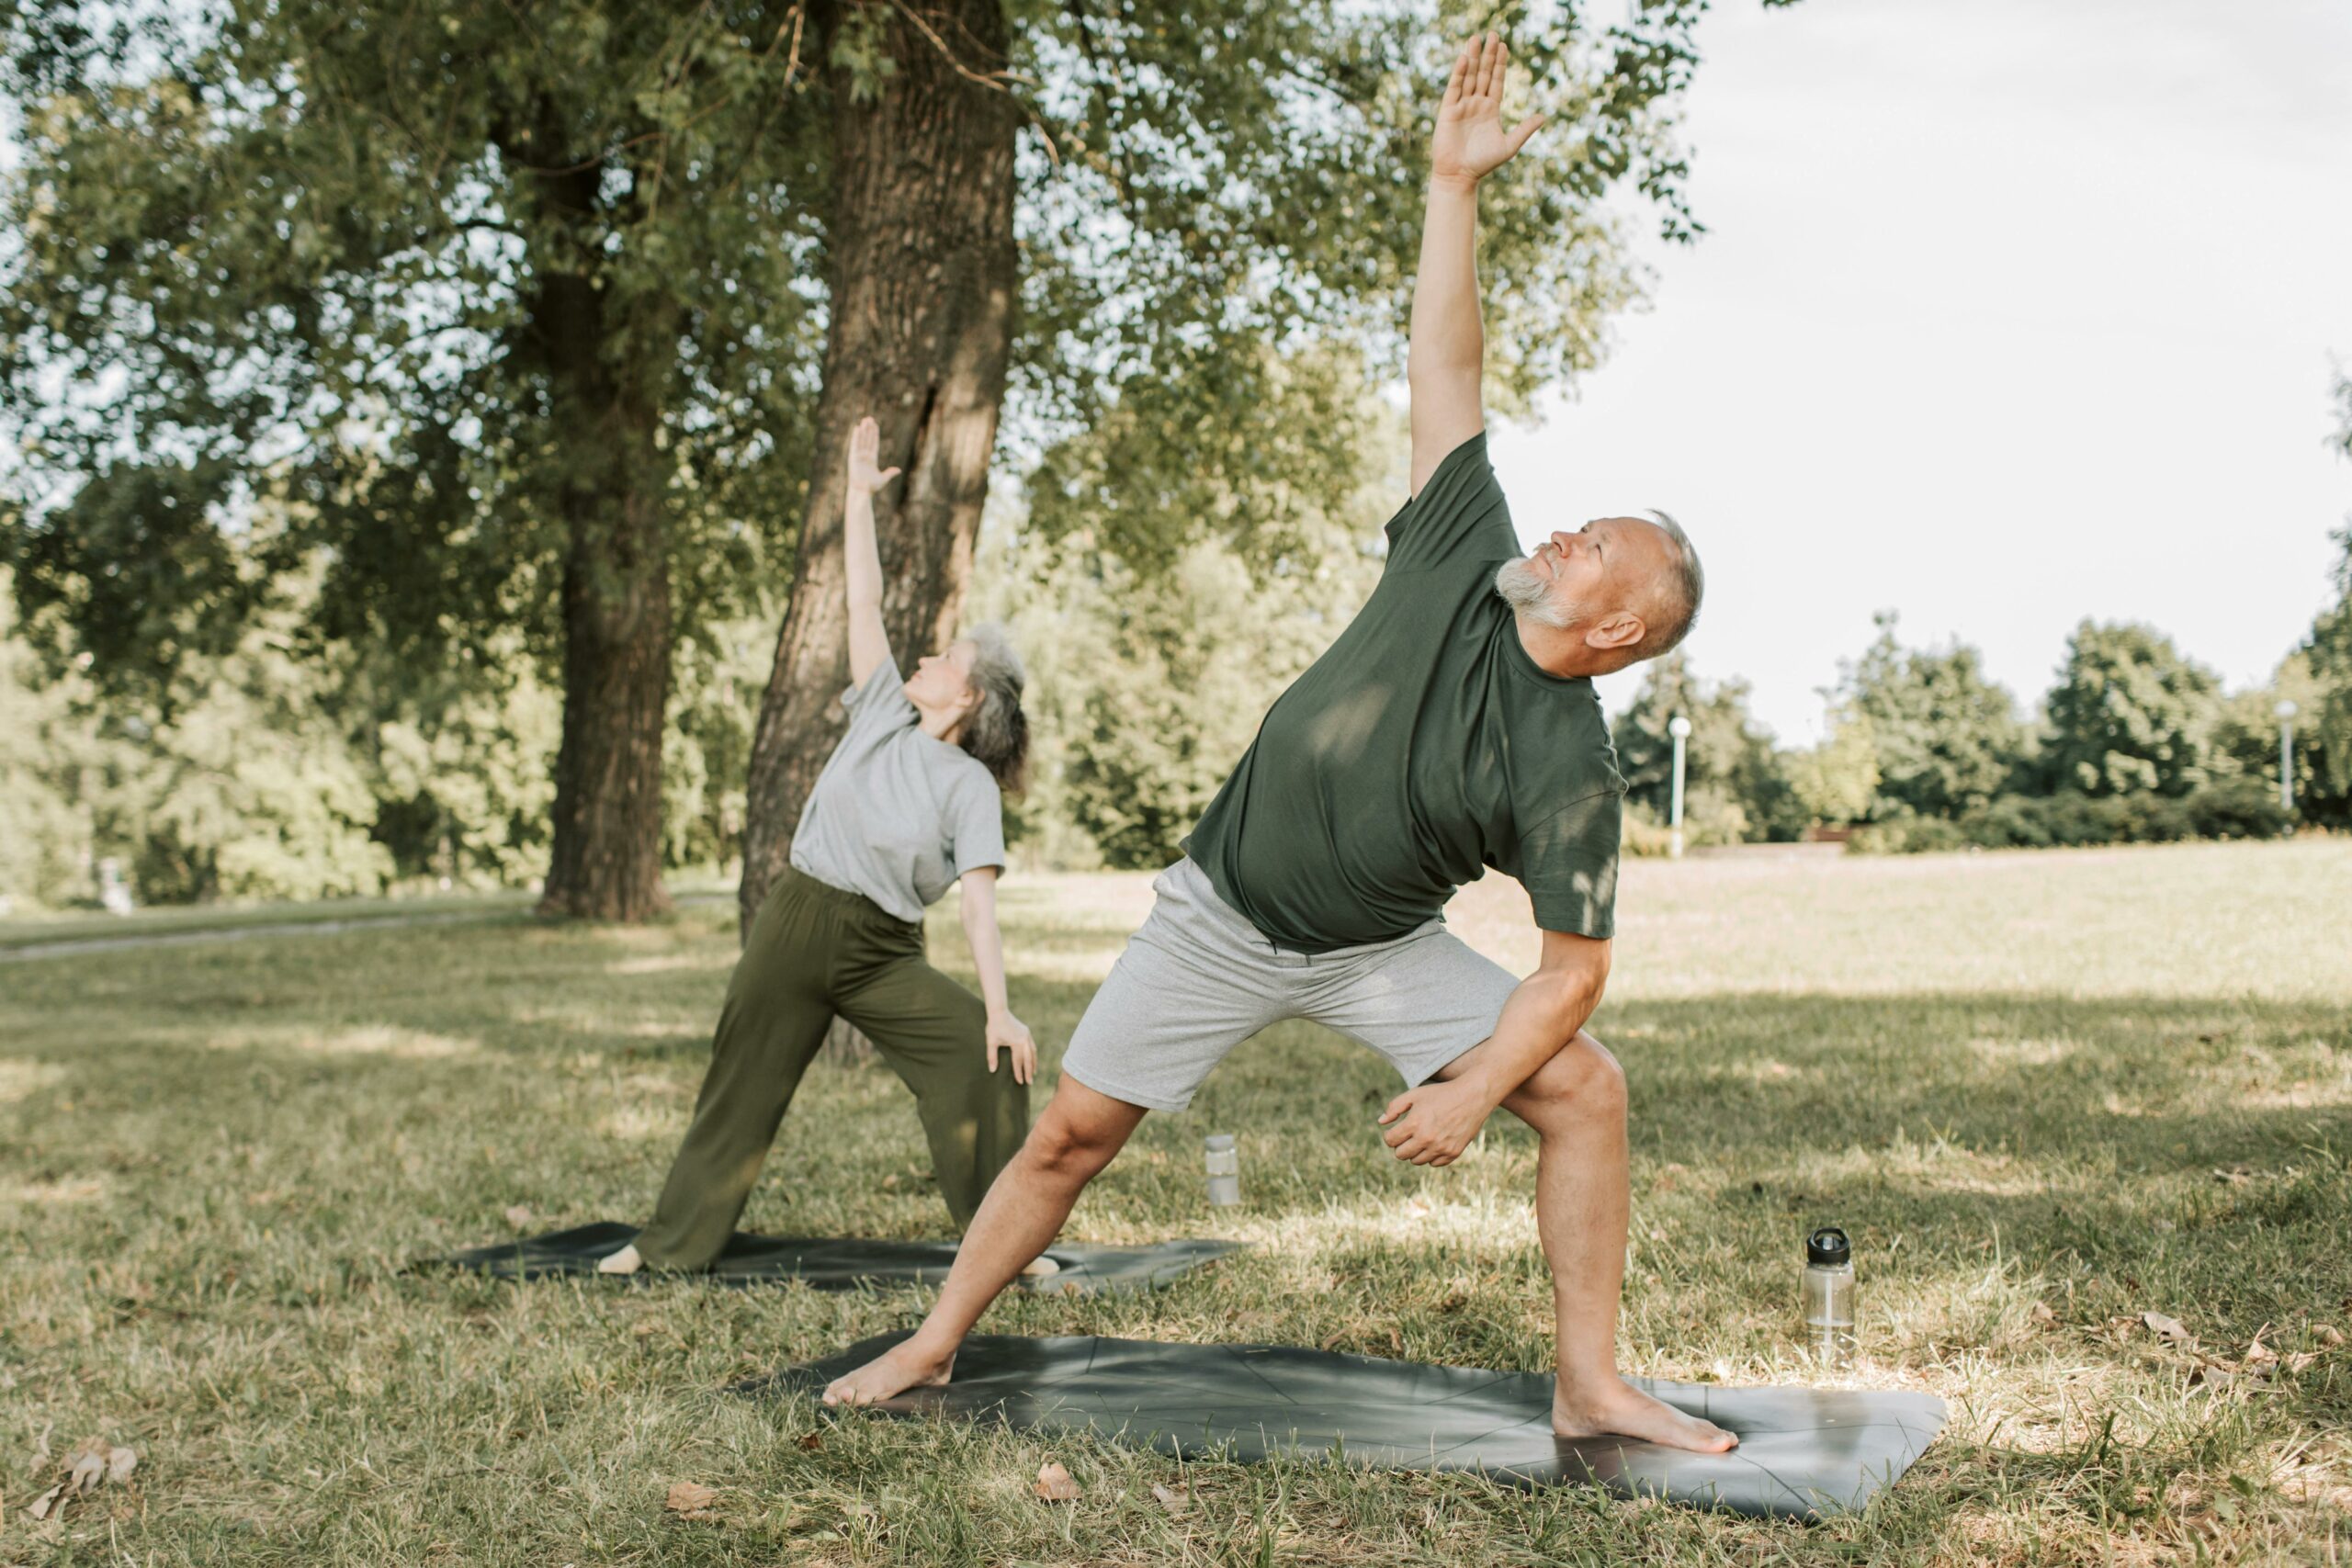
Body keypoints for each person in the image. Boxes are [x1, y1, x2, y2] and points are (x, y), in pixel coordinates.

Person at [821, 34, 1733, 1454]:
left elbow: (1574, 972)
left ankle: (1591, 1382)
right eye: (1579, 518)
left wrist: (1476, 1084)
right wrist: (1452, 185)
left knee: (1587, 1087)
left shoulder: (1569, 763)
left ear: (1617, 628)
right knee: (1069, 1135)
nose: (1564, 530)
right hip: (1221, 910)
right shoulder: (1464, 546)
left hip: (1373, 945)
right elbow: (1447, 353)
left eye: (1596, 543)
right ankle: (933, 1344)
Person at [600, 414, 1038, 1276]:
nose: (924, 653)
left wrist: (998, 1007)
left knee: (983, 1057)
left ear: (970, 697)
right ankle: (669, 1247)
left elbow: (980, 910)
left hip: (882, 952)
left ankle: (1006, 1249)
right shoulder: (881, 707)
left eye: (944, 656)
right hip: (798, 922)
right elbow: (863, 598)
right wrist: (855, 498)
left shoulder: (969, 787)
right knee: (740, 1081)